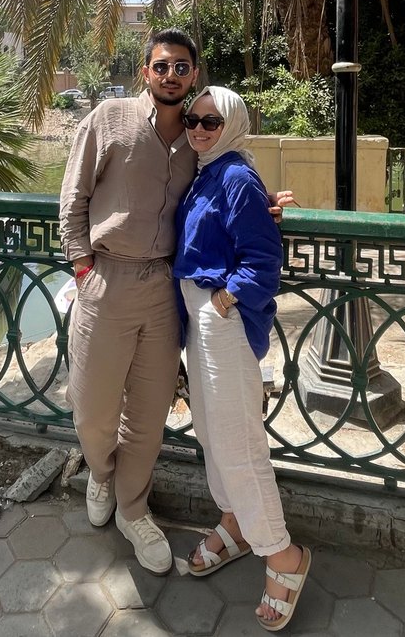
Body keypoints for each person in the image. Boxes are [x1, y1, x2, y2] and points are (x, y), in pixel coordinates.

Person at [59, 29, 294, 576]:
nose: (171, 76)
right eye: (161, 66)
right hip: (107, 280)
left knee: (148, 415)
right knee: (93, 410)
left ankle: (133, 509)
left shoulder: (199, 142)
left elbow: (227, 181)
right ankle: (101, 474)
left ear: (194, 75)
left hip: (167, 290)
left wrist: (265, 202)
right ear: (146, 70)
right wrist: (83, 267)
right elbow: (73, 198)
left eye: (182, 67)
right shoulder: (109, 118)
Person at [173, 86, 311, 632]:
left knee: (237, 441)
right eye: (193, 119)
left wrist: (227, 299)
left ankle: (282, 554)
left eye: (211, 122)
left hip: (220, 318)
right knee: (211, 430)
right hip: (198, 317)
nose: (198, 129)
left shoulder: (234, 175)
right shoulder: (210, 171)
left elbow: (262, 259)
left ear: (230, 125)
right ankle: (233, 522)